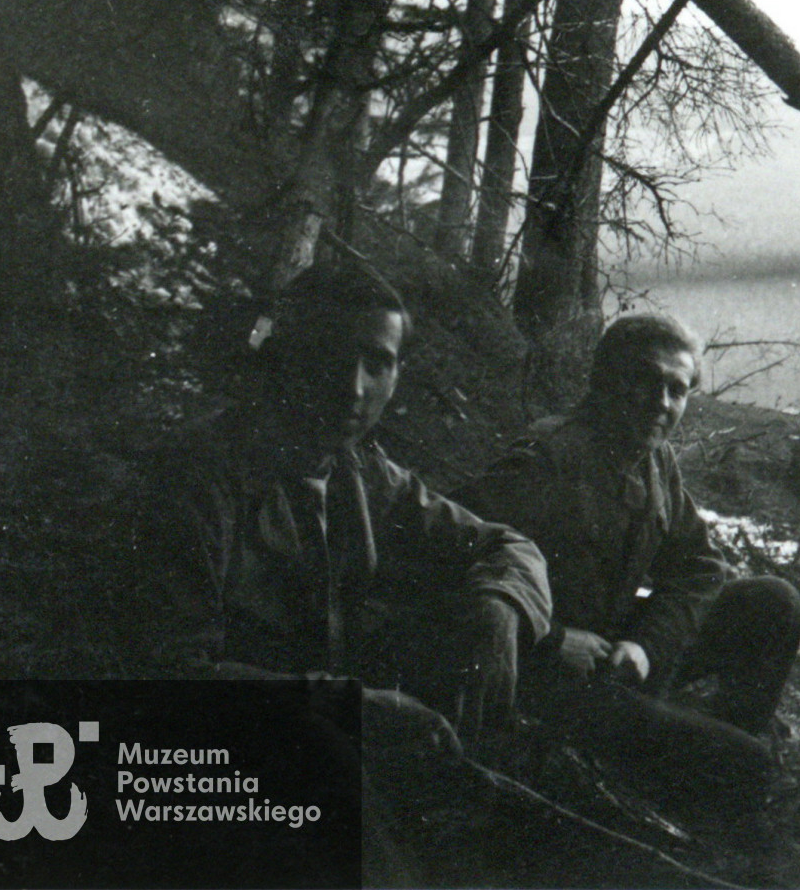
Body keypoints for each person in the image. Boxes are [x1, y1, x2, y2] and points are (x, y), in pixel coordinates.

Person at [140, 263, 553, 762]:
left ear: (396, 379)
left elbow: (509, 546)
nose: (353, 387)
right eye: (329, 354)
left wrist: (501, 607)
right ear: (283, 357)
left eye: (376, 363)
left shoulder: (364, 476)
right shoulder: (199, 478)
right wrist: (352, 710)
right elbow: (164, 675)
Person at [456, 312, 800, 814]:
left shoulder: (653, 459)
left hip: (617, 659)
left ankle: (702, 750)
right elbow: (448, 557)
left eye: (677, 390)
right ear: (605, 381)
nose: (662, 402)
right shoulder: (546, 459)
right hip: (553, 684)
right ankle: (678, 784)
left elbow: (701, 566)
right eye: (646, 380)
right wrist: (551, 638)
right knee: (748, 766)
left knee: (773, 602)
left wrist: (645, 645)